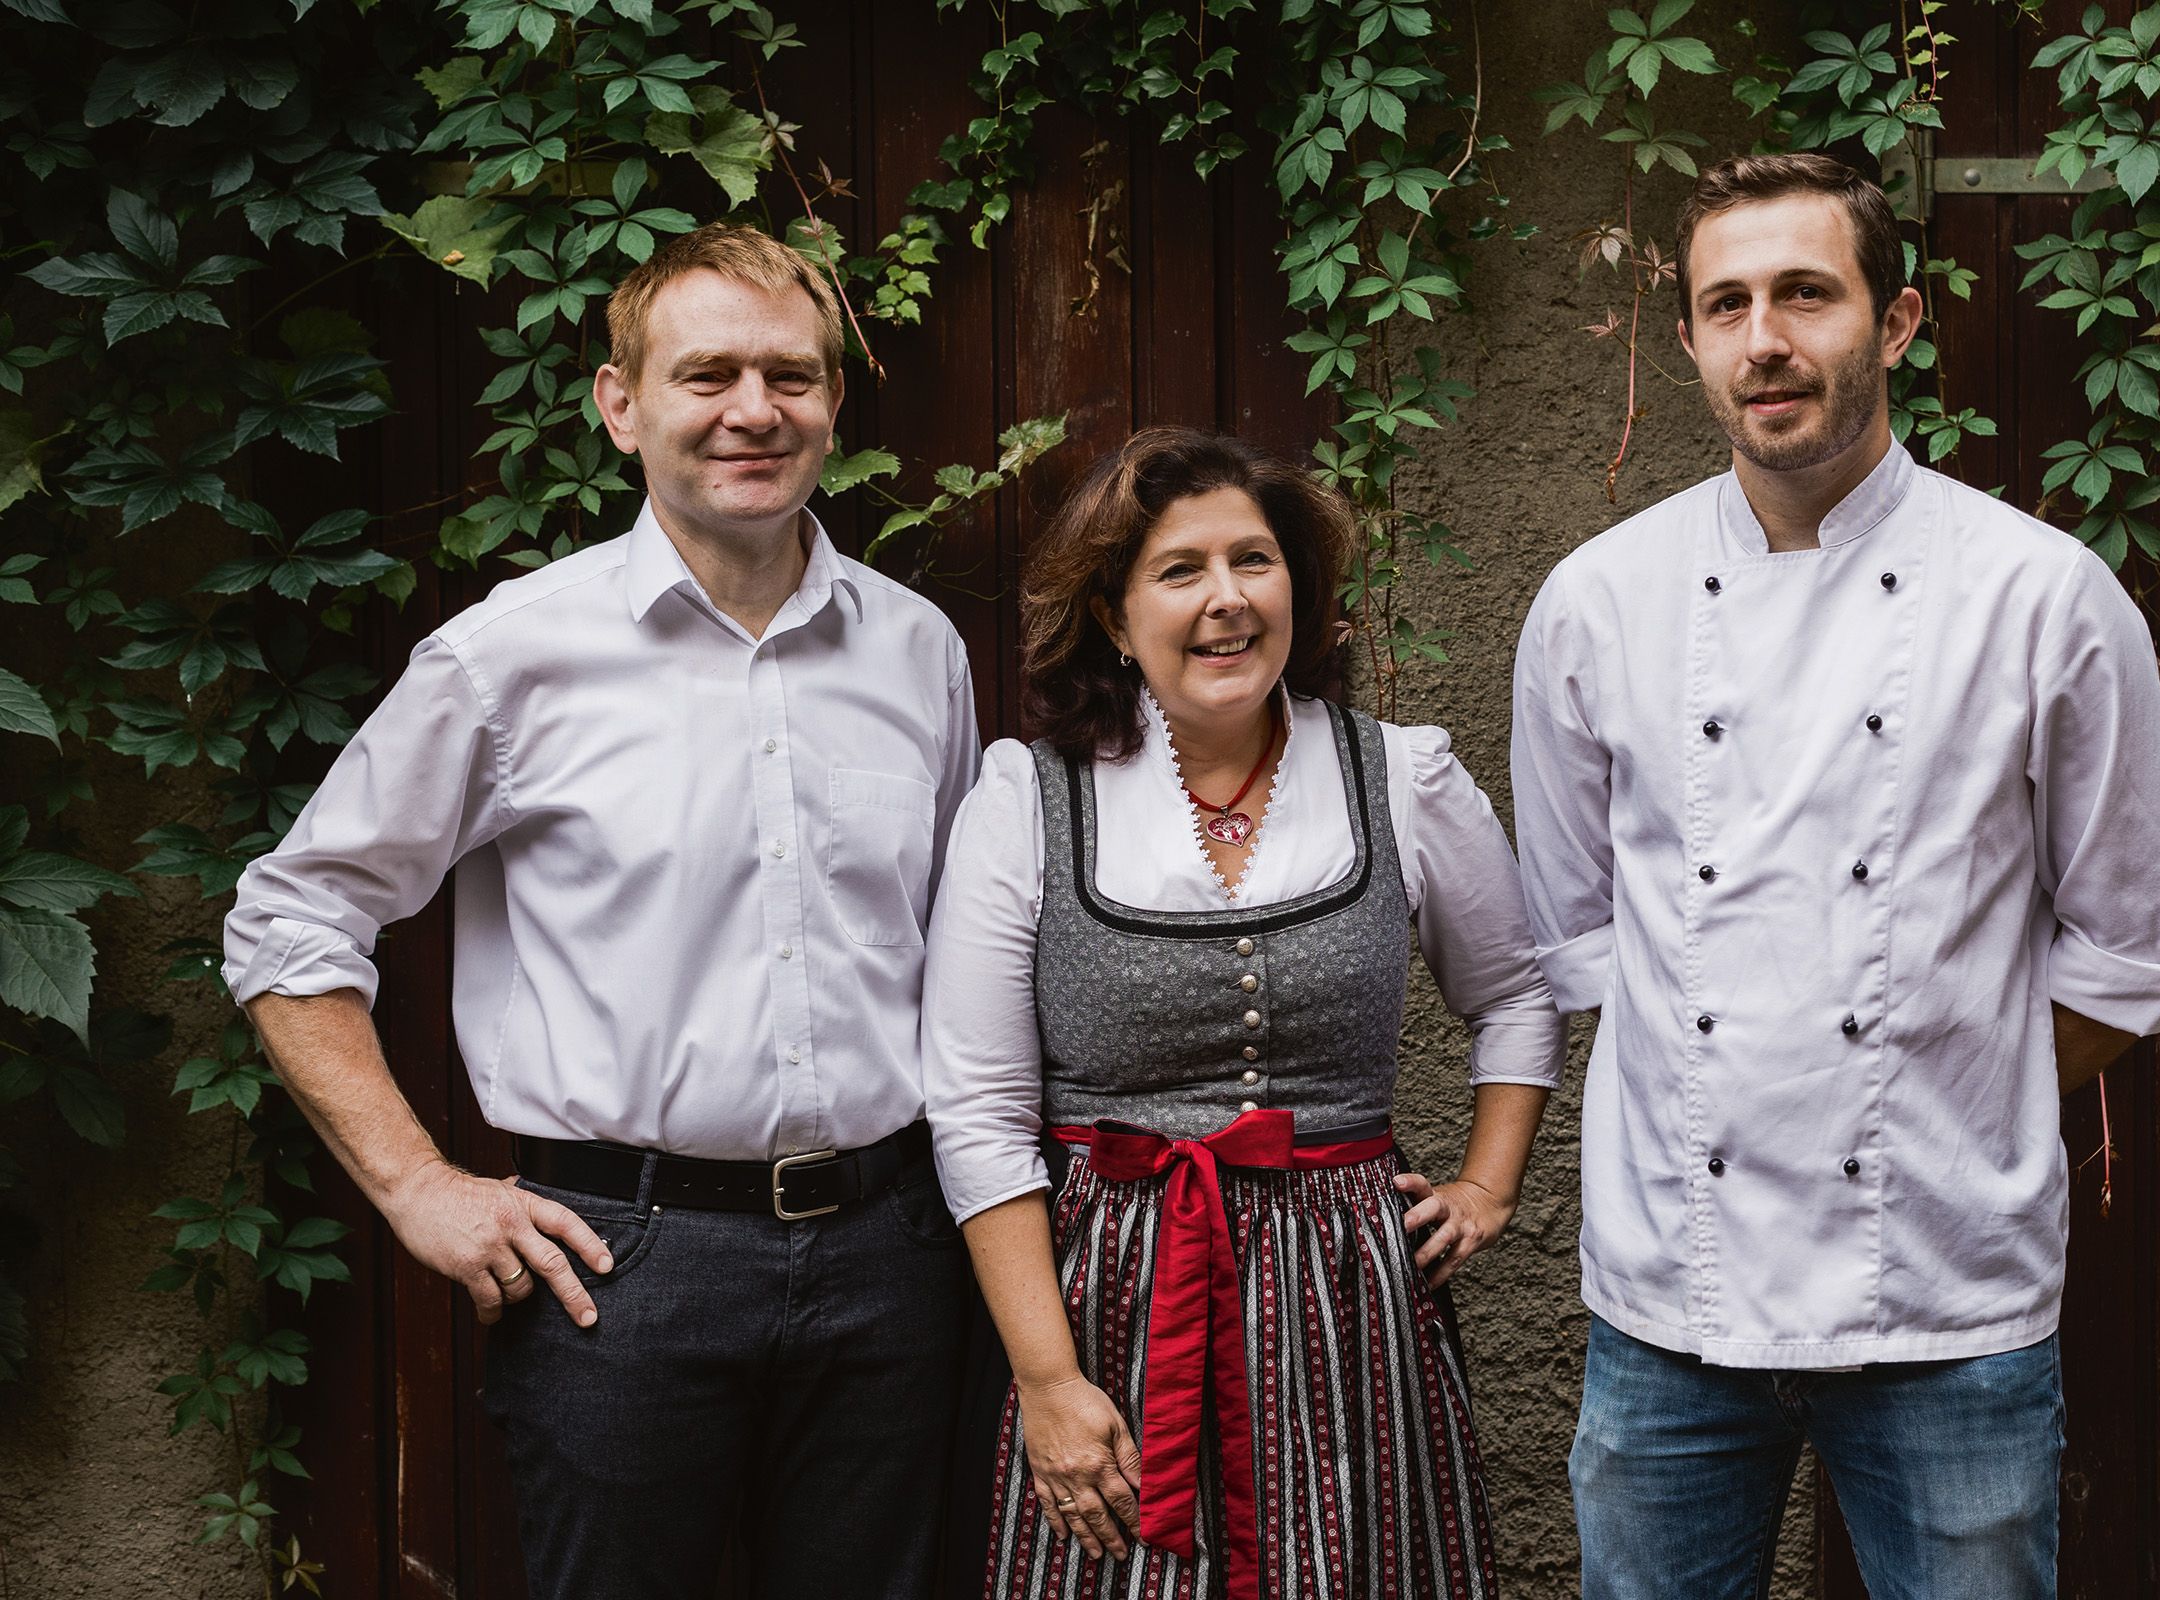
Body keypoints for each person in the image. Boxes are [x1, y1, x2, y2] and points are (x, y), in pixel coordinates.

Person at [222, 223, 980, 1599]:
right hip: (620, 1270)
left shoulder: (918, 649)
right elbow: (292, 917)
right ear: (620, 404)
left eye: (791, 376)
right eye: (708, 376)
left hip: (891, 1258)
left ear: (833, 402)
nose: (755, 410)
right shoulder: (514, 656)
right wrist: (415, 1186)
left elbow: (963, 960)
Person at [1510, 152, 2160, 1600]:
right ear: (1691, 339)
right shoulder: (1596, 603)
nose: (1766, 337)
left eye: (1806, 295)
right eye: (1728, 303)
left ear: (1893, 325)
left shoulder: (2042, 596)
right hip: (1669, 1307)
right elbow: (1583, 939)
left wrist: (1946, 1088)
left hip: (1947, 1294)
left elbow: (2137, 952)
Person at [920, 427, 1561, 1599]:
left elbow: (1515, 989)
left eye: (1253, 562)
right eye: (1180, 570)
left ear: (1297, 592)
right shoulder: (1026, 799)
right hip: (1111, 1289)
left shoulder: (1401, 776)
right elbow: (975, 1110)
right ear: (1115, 617)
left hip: (1350, 1295)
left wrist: (1488, 1184)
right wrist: (1050, 1381)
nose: (1227, 601)